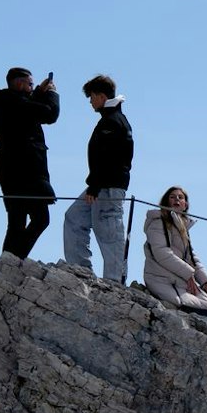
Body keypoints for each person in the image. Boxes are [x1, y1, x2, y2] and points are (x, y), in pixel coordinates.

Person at [0, 67, 60, 259]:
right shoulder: (19, 104)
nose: (32, 88)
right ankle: (12, 259)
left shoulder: (2, 102)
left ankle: (7, 260)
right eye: (30, 84)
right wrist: (52, 94)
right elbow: (50, 114)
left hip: (8, 168)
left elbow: (27, 105)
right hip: (28, 169)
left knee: (16, 220)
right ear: (19, 83)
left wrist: (38, 92)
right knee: (41, 218)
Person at [62, 74, 133, 281]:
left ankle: (115, 283)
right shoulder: (112, 119)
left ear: (101, 96)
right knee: (74, 218)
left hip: (106, 187)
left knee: (110, 236)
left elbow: (108, 158)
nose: (90, 102)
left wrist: (94, 186)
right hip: (102, 185)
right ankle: (81, 272)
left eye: (91, 97)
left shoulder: (112, 122)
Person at [142, 185, 207, 327]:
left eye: (180, 197)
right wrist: (188, 274)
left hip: (181, 280)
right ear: (166, 203)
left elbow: (193, 258)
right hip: (163, 280)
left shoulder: (181, 228)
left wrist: (206, 282)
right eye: (172, 197)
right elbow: (161, 253)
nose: (176, 200)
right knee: (206, 308)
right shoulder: (158, 222)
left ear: (185, 205)